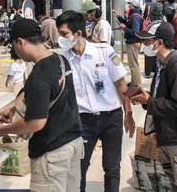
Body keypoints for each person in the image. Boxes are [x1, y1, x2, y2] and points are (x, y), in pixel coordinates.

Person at [0, 18, 83, 191]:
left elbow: (36, 123)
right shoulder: (60, 60)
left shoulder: (39, 75)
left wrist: (2, 130)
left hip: (52, 152)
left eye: (14, 45)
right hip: (73, 144)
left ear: (20, 42)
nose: (15, 51)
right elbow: (37, 93)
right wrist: (13, 106)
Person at [56, 11, 135, 192]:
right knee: (79, 169)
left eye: (64, 34)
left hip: (111, 118)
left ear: (78, 33)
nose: (61, 39)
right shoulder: (63, 60)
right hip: (82, 122)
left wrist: (128, 114)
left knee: (112, 167)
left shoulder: (104, 52)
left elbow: (122, 85)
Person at [131, 21, 177, 192]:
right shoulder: (162, 65)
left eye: (147, 41)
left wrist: (150, 101)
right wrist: (144, 97)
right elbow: (163, 98)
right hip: (167, 135)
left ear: (159, 43)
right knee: (174, 183)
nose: (143, 45)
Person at [114, 0, 143, 86]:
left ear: (133, 5)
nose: (128, 5)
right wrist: (118, 16)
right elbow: (127, 22)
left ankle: (137, 84)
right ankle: (134, 82)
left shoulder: (134, 16)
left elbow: (135, 32)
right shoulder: (134, 14)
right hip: (133, 42)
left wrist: (125, 28)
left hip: (133, 43)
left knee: (133, 65)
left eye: (129, 4)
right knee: (133, 64)